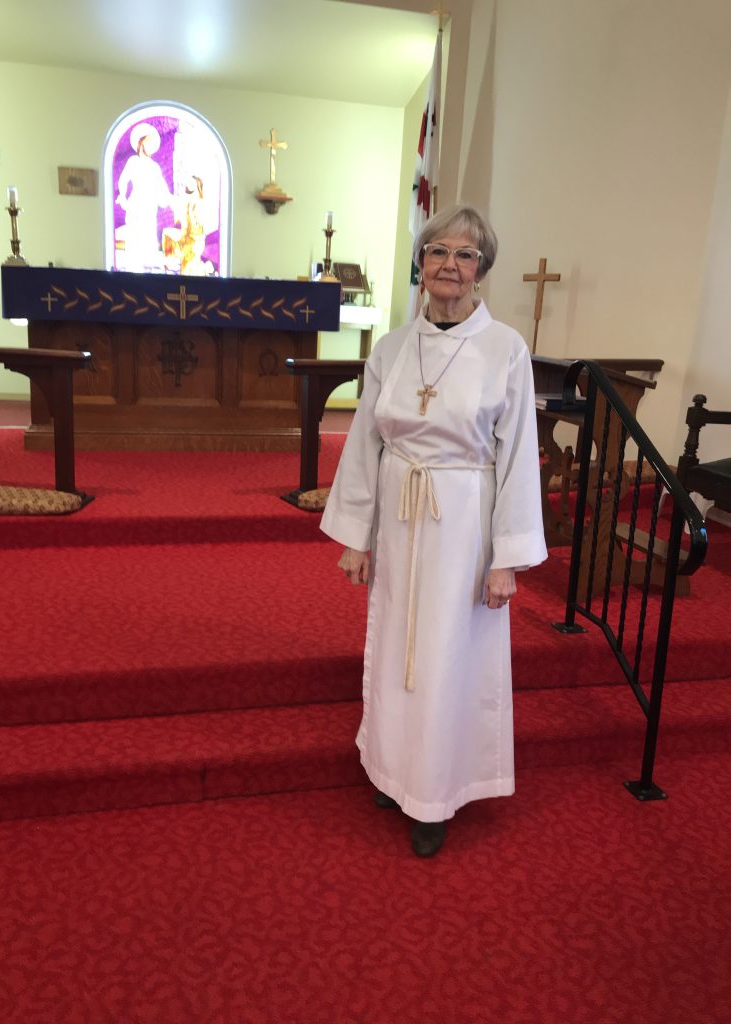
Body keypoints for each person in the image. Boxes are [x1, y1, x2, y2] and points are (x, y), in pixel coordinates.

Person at [320, 204, 547, 858]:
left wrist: (505, 558)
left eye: (465, 254)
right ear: (421, 263)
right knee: (396, 645)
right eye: (438, 251)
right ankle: (393, 771)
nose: (450, 264)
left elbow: (515, 457)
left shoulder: (505, 348)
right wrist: (356, 537)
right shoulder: (392, 347)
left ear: (482, 270)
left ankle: (437, 794)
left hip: (464, 524)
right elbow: (366, 444)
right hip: (398, 516)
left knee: (448, 656)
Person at [116, 123, 173, 270]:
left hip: (150, 204)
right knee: (136, 232)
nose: (150, 146)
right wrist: (123, 196)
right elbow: (123, 180)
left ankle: (147, 264)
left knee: (148, 231)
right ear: (141, 143)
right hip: (137, 203)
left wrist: (168, 199)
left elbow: (161, 186)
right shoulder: (133, 162)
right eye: (148, 142)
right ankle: (134, 266)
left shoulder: (154, 166)